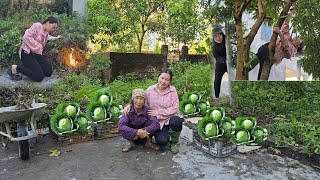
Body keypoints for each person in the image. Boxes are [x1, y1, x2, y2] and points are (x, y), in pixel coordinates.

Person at [123, 68, 183, 154]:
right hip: (153, 121)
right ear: (158, 77)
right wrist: (129, 104)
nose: (163, 81)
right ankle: (149, 140)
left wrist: (159, 113)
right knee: (157, 139)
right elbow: (140, 100)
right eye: (162, 78)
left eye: (167, 79)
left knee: (176, 121)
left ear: (170, 81)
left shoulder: (172, 90)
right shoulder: (150, 90)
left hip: (166, 121)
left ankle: (174, 143)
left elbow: (175, 108)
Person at [8, 16, 62, 82]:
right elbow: (26, 37)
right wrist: (38, 46)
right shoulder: (37, 26)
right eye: (53, 27)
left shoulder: (46, 32)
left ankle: (33, 68)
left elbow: (48, 37)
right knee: (39, 77)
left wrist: (56, 37)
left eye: (54, 28)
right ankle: (15, 68)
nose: (53, 29)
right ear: (48, 23)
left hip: (35, 53)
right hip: (26, 53)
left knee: (48, 71)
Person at [212, 27, 227, 99]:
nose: (218, 38)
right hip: (220, 63)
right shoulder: (214, 47)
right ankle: (216, 96)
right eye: (216, 36)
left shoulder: (227, 41)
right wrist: (222, 60)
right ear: (214, 38)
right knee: (217, 80)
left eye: (220, 35)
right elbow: (216, 56)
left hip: (229, 62)